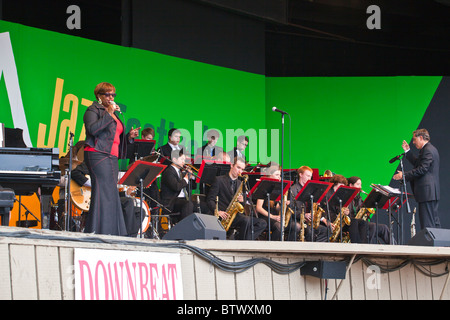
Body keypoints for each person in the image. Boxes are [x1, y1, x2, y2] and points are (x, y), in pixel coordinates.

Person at [83, 82, 139, 235]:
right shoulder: (92, 110)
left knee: (111, 193)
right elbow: (93, 130)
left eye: (113, 94)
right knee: (103, 192)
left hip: (111, 156)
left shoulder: (113, 113)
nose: (111, 97)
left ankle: (113, 232)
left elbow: (113, 137)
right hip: (97, 154)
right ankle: (98, 230)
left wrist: (129, 137)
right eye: (107, 94)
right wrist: (108, 113)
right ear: (98, 96)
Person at [206, 157, 267, 240]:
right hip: (223, 215)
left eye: (242, 169)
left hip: (235, 215)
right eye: (238, 167)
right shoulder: (219, 180)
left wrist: (243, 200)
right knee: (246, 221)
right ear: (231, 165)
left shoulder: (240, 183)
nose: (240, 171)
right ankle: (242, 241)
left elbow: (242, 204)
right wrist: (217, 211)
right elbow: (210, 199)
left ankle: (240, 239)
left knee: (262, 223)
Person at [393, 129, 440, 230]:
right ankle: (437, 245)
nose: (413, 142)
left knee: (428, 224)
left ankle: (430, 245)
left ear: (421, 138)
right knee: (433, 222)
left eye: (414, 140)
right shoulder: (429, 149)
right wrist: (408, 152)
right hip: (430, 193)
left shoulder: (427, 150)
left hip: (427, 192)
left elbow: (422, 169)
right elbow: (418, 164)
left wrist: (403, 175)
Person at [255, 164, 301, 241]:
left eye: (279, 175)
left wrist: (283, 204)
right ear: (270, 175)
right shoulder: (263, 186)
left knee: (297, 226)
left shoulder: (278, 187)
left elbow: (276, 208)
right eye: (276, 175)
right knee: (279, 226)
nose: (279, 177)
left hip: (276, 216)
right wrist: (272, 216)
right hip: (266, 217)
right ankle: (273, 248)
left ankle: (289, 248)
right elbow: (258, 208)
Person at [324, 175, 368, 243]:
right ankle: (356, 245)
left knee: (360, 223)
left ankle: (361, 245)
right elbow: (327, 210)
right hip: (331, 219)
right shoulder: (328, 194)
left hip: (340, 220)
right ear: (335, 184)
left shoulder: (341, 194)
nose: (343, 187)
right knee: (354, 223)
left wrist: (346, 212)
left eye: (344, 185)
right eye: (341, 185)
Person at [347, 176, 392, 244]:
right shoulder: (346, 197)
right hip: (352, 224)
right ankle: (367, 249)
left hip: (361, 223)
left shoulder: (359, 199)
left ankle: (395, 247)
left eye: (361, 184)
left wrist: (366, 212)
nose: (360, 187)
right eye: (358, 184)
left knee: (384, 228)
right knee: (372, 227)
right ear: (351, 185)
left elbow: (362, 210)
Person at [290, 166, 330, 242]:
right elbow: (291, 209)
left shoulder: (312, 190)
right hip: (297, 220)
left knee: (327, 230)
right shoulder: (293, 190)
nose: (309, 179)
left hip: (309, 221)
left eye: (310, 177)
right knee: (310, 231)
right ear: (300, 175)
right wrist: (303, 215)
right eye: (307, 176)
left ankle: (317, 250)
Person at [160, 150, 195, 224]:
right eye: (182, 159)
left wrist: (189, 178)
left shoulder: (180, 172)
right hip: (171, 202)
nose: (184, 162)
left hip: (182, 200)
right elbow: (177, 187)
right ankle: (184, 229)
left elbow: (187, 187)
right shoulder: (169, 171)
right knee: (188, 204)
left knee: (198, 205)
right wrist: (186, 178)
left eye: (184, 160)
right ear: (174, 160)